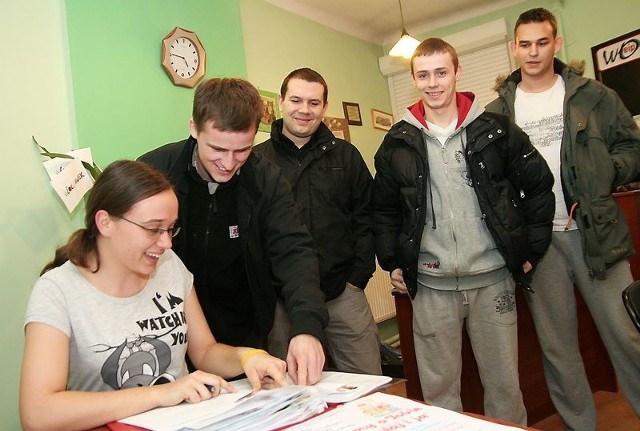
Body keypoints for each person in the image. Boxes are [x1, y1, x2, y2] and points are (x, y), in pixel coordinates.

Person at [19, 160, 288, 431]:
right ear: (105, 223)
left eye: (171, 228)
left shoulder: (169, 265)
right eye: (153, 229)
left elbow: (205, 351)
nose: (166, 243)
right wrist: (161, 394)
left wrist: (248, 357)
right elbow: (38, 414)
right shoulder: (58, 291)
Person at [372, 37, 556, 425]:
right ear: (414, 79)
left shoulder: (497, 130)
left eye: (441, 72)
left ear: (458, 72)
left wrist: (529, 250)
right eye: (423, 75)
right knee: (439, 393)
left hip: (493, 285)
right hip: (431, 288)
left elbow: (539, 186)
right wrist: (392, 263)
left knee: (505, 386)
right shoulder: (397, 142)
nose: (433, 83)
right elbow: (385, 210)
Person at [486, 7, 640, 430]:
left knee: (628, 336)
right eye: (524, 44)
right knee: (558, 349)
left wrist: (607, 170)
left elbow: (633, 148)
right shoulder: (497, 112)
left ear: (556, 44)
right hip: (540, 243)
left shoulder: (594, 95)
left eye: (542, 42)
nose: (533, 52)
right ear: (513, 48)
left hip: (596, 234)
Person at [139, 78, 329, 385]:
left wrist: (307, 327)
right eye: (217, 148)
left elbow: (294, 251)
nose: (228, 163)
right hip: (168, 331)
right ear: (193, 128)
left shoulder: (266, 178)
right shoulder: (155, 172)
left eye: (242, 150)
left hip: (243, 331)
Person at [254, 67, 381, 375]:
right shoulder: (256, 161)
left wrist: (357, 278)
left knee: (370, 385)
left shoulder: (347, 156)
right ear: (281, 102)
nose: (304, 110)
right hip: (280, 301)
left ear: (325, 107)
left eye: (314, 102)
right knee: (288, 391)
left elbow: (367, 217)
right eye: (296, 100)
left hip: (341, 293)